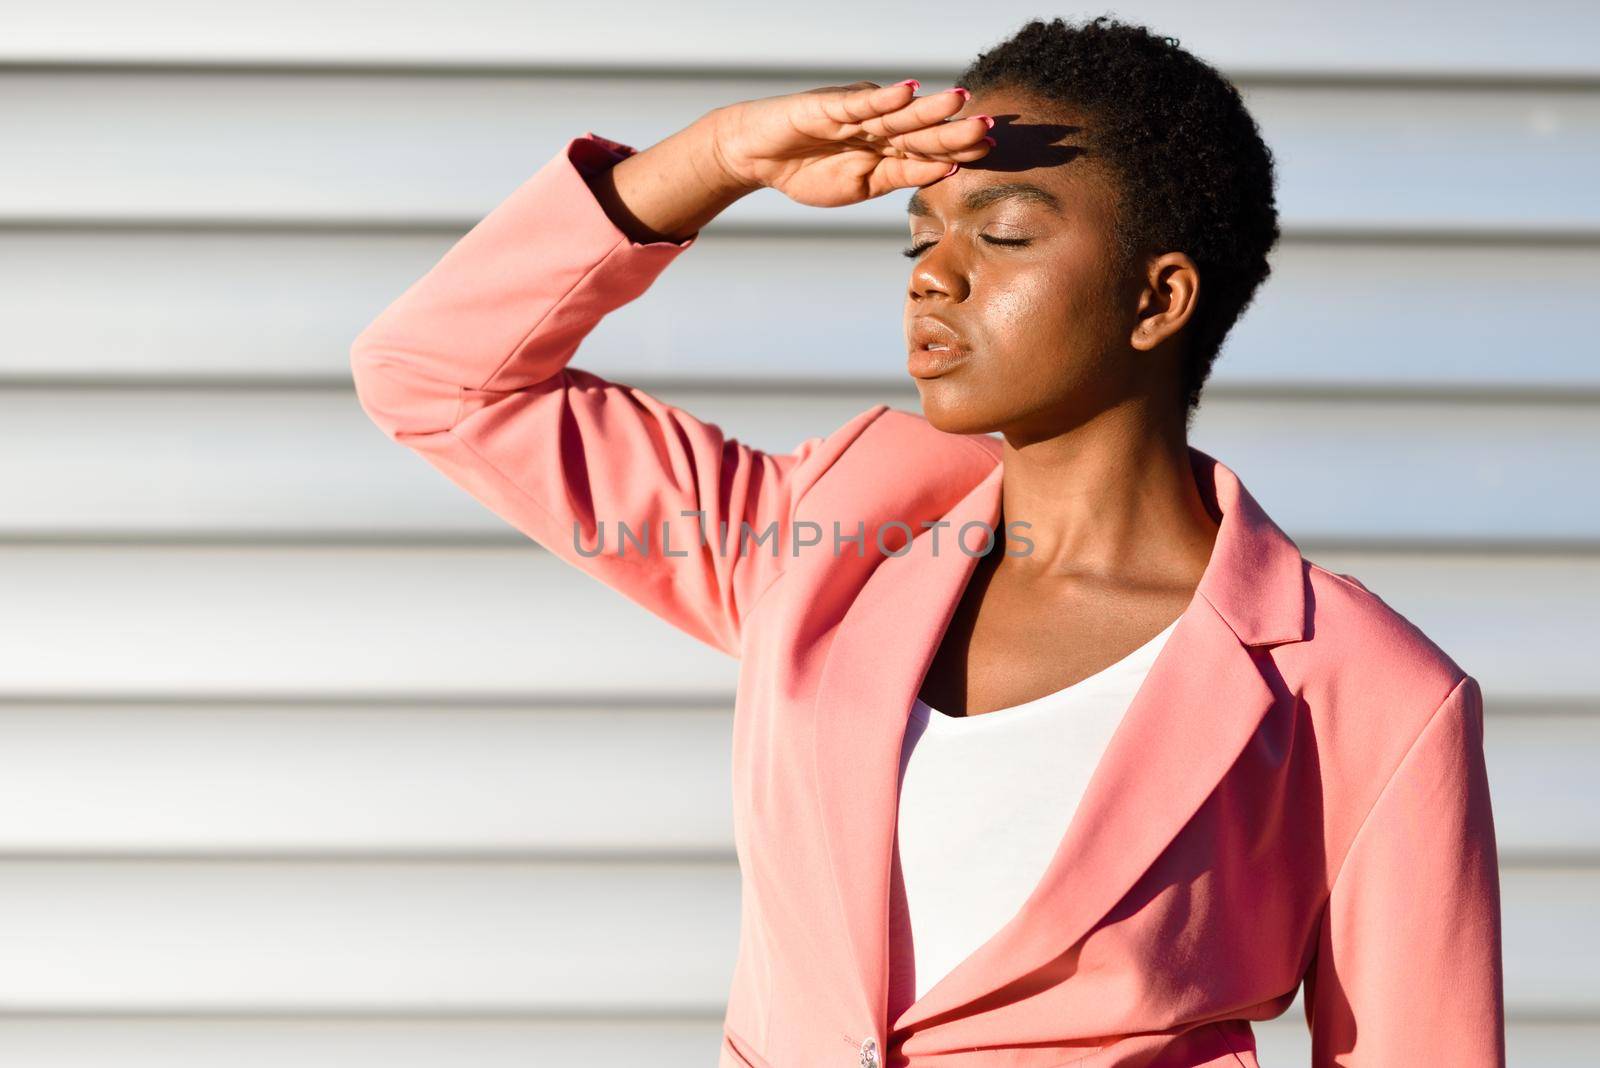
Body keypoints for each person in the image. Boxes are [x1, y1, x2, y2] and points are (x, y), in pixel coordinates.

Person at [349, 15, 1504, 1068]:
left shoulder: (1359, 691)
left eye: (999, 236)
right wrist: (712, 160)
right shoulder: (829, 537)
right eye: (917, 241)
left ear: (1157, 300)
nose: (934, 279)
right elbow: (435, 379)